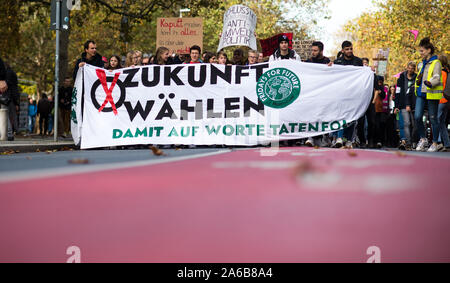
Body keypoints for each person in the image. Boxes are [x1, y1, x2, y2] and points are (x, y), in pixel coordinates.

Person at [333, 41, 364, 148]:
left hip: (354, 94)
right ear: (342, 50)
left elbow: (363, 75)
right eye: (347, 49)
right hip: (341, 94)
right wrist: (329, 68)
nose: (349, 51)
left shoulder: (358, 61)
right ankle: (339, 137)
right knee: (341, 115)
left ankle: (349, 139)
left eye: (351, 49)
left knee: (351, 117)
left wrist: (369, 70)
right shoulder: (337, 62)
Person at [414, 38, 443, 152]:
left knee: (433, 118)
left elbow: (436, 77)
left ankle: (435, 143)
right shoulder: (422, 63)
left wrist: (431, 83)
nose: (420, 53)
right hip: (421, 93)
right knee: (417, 116)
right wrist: (418, 81)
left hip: (431, 92)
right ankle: (423, 139)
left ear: (429, 50)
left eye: (422, 51)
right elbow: (421, 76)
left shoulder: (436, 62)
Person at [394, 62, 417, 150]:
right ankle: (408, 142)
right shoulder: (401, 78)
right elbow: (398, 92)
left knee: (415, 124)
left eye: (412, 68)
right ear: (407, 68)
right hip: (403, 104)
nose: (410, 70)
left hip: (414, 103)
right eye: (409, 68)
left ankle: (414, 140)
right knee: (406, 123)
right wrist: (396, 106)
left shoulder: (416, 78)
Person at [437, 54, 449, 151]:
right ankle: (447, 143)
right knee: (442, 122)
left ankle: (439, 142)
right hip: (447, 100)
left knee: (436, 120)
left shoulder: (442, 72)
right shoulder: (448, 71)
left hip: (441, 99)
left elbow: (441, 86)